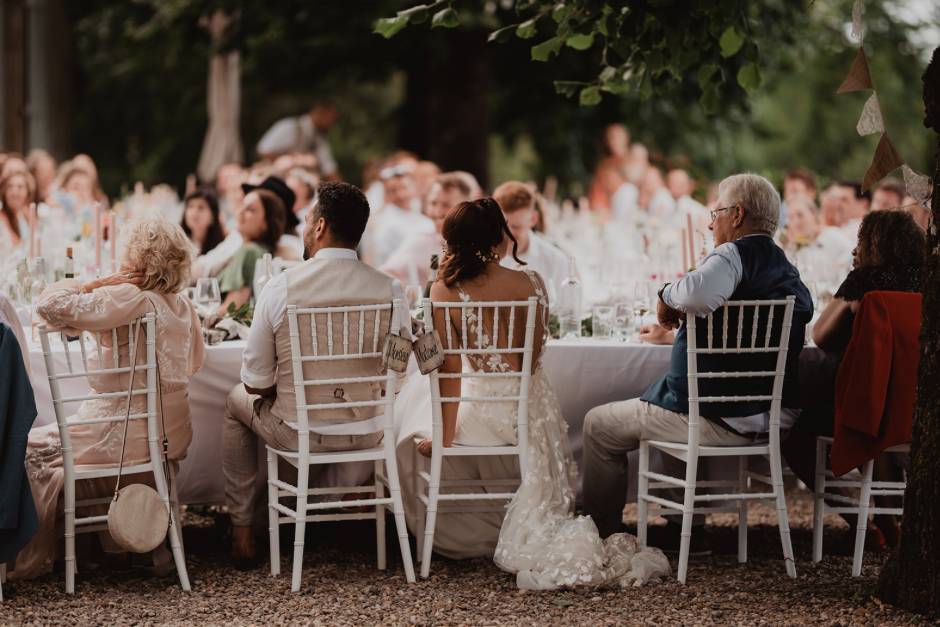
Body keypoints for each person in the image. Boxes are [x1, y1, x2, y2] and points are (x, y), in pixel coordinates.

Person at [393, 198, 669, 589]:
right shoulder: (532, 281)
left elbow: (451, 374)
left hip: (488, 412)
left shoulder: (445, 288)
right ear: (497, 236)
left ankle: (449, 533)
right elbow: (535, 356)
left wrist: (446, 437)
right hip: (535, 409)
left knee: (408, 411)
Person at [583, 173, 812, 549]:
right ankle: (681, 527)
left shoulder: (732, 254)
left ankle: (601, 533)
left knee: (598, 425)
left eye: (716, 212)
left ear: (737, 215)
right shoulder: (785, 268)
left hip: (718, 415)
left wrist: (664, 295)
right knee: (672, 402)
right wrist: (676, 335)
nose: (710, 221)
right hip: (772, 415)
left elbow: (697, 294)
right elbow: (741, 335)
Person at [223, 181, 410, 566]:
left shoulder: (281, 288)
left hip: (298, 432)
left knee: (233, 402)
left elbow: (254, 381)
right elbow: (399, 368)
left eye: (308, 219)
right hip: (369, 428)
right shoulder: (392, 290)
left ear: (320, 226)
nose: (305, 226)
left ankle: (242, 529)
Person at [11, 219, 204, 579]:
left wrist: (93, 284)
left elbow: (49, 305)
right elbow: (195, 363)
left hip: (123, 435)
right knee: (48, 445)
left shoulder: (129, 296)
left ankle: (23, 546)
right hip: (169, 437)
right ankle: (103, 550)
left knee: (24, 449)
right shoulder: (182, 306)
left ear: (139, 258)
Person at [782, 210, 924, 548]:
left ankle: (862, 522)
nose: (854, 251)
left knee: (792, 433)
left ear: (876, 245)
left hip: (864, 405)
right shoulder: (929, 282)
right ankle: (890, 520)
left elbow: (820, 335)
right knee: (884, 414)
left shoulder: (864, 282)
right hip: (914, 406)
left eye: (860, 243)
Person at [380, 171, 478, 287]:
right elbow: (385, 274)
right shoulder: (421, 240)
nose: (437, 212)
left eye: (446, 205)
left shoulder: (479, 242)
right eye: (433, 203)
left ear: (465, 208)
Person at [214, 189, 286, 315]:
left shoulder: (249, 251)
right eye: (242, 206)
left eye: (250, 210)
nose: (240, 212)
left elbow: (233, 308)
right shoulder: (259, 251)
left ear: (267, 222)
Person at [495, 181, 570, 299]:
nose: (507, 234)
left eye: (515, 226)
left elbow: (567, 311)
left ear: (533, 219)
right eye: (501, 226)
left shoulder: (555, 261)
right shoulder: (482, 259)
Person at [365, 165, 433, 266]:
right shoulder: (384, 224)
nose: (400, 195)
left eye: (404, 187)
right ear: (386, 195)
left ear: (414, 187)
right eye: (393, 191)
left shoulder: (423, 218)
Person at [256, 102, 340, 179]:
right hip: (275, 178)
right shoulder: (288, 126)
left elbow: (329, 169)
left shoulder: (319, 139)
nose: (332, 124)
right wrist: (295, 160)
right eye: (332, 118)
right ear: (320, 113)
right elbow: (263, 150)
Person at [588, 124, 630, 212]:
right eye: (610, 137)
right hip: (605, 211)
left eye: (617, 137)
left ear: (626, 138)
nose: (614, 141)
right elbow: (596, 190)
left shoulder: (634, 158)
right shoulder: (605, 164)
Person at [180, 188, 226, 257]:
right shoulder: (178, 244)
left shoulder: (223, 247)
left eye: (201, 207)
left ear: (213, 217)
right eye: (190, 206)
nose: (194, 212)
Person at [0, 170, 37, 249]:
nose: (14, 192)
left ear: (28, 192)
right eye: (10, 187)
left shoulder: (24, 215)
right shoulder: (1, 218)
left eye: (20, 187)